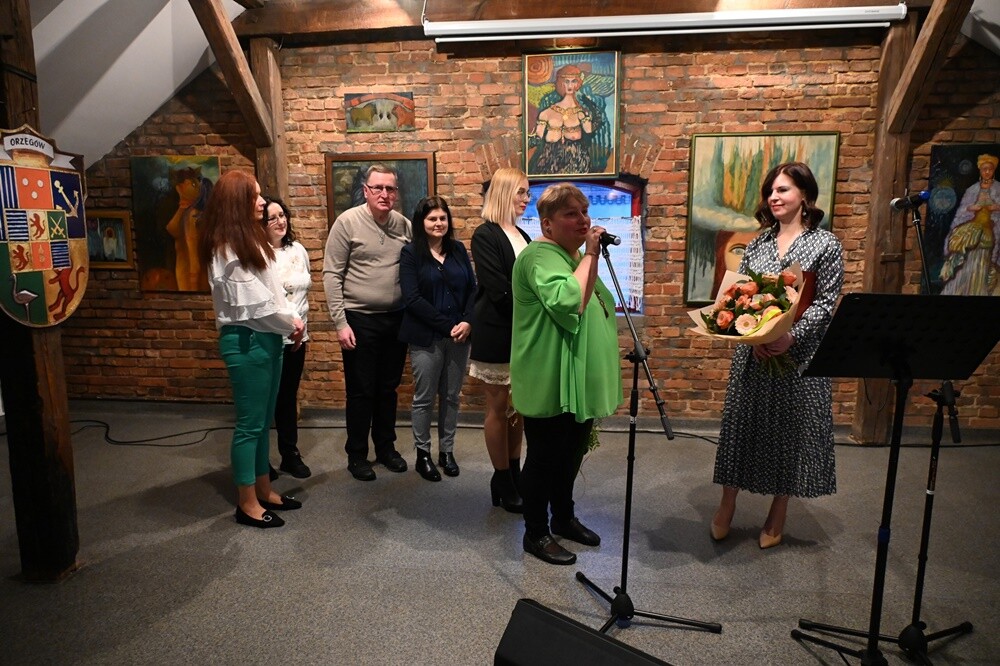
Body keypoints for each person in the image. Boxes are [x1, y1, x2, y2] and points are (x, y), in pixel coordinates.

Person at [711, 162, 844, 549]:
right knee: (742, 427)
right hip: (754, 353)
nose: (774, 197)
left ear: (805, 195)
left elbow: (825, 304)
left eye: (783, 189)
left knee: (790, 433)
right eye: (770, 191)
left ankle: (778, 511)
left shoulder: (825, 244)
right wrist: (751, 335)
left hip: (799, 355)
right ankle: (727, 503)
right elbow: (740, 295)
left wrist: (791, 337)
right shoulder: (758, 244)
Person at [511, 183, 623, 565]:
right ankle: (535, 533)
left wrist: (587, 255)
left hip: (576, 378)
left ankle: (563, 517)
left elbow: (593, 301)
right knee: (544, 457)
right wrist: (590, 253)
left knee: (571, 452)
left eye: (585, 211)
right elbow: (569, 300)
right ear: (547, 224)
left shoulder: (571, 255)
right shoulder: (539, 256)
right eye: (571, 214)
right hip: (548, 375)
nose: (583, 220)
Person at [198, 170, 305, 529]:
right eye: (255, 196)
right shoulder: (226, 249)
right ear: (236, 202)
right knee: (249, 425)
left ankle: (263, 489)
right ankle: (246, 503)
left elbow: (273, 295)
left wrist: (289, 322)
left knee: (262, 423)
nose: (262, 202)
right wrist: (292, 324)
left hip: (267, 338)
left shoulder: (250, 240)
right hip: (247, 341)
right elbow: (255, 309)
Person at [323, 165, 412, 481]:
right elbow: (331, 274)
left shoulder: (404, 225)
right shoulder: (347, 223)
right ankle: (357, 455)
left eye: (390, 188)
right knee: (361, 391)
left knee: (388, 389)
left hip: (395, 319)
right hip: (359, 320)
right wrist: (340, 323)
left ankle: (386, 448)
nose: (384, 194)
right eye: (378, 188)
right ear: (366, 190)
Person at [398, 196, 476, 481]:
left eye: (443, 218)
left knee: (452, 396)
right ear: (421, 222)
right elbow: (412, 298)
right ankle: (423, 455)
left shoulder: (458, 249)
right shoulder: (410, 253)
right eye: (432, 219)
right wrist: (449, 325)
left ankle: (447, 451)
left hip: (459, 337)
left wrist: (468, 321)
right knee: (424, 398)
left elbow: (473, 289)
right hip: (426, 337)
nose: (438, 223)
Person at [469, 167, 532, 511]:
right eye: (521, 192)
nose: (526, 199)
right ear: (504, 192)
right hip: (497, 330)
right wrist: (534, 310)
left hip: (522, 332)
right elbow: (497, 288)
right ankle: (502, 477)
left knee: (517, 408)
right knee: (497, 408)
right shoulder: (486, 234)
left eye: (527, 192)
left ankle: (515, 471)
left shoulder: (523, 234)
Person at [263, 197, 312, 479]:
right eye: (272, 218)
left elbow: (302, 294)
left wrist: (301, 329)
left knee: (288, 396)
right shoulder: (258, 254)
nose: (280, 221)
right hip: (271, 337)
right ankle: (261, 460)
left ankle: (289, 454)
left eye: (282, 215)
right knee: (267, 400)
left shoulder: (298, 250)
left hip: (298, 338)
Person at [528, 64, 609, 176]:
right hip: (549, 163)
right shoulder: (546, 113)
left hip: (576, 162)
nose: (570, 85)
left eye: (573, 81)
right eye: (566, 81)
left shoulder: (581, 113)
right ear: (561, 83)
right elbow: (538, 137)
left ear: (578, 84)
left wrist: (590, 104)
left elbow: (589, 130)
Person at [940, 153, 1000, 295]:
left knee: (986, 253)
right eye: (984, 169)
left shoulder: (999, 188)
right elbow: (962, 211)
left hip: (991, 229)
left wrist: (995, 207)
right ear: (980, 170)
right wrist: (972, 208)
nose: (987, 172)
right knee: (966, 247)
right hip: (973, 227)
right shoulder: (972, 190)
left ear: (994, 170)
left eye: (990, 169)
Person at [165, 166, 212, 291]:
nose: (196, 187)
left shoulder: (194, 214)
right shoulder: (187, 211)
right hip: (184, 268)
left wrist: (193, 278)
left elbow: (193, 252)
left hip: (194, 271)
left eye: (195, 183)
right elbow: (172, 229)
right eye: (192, 184)